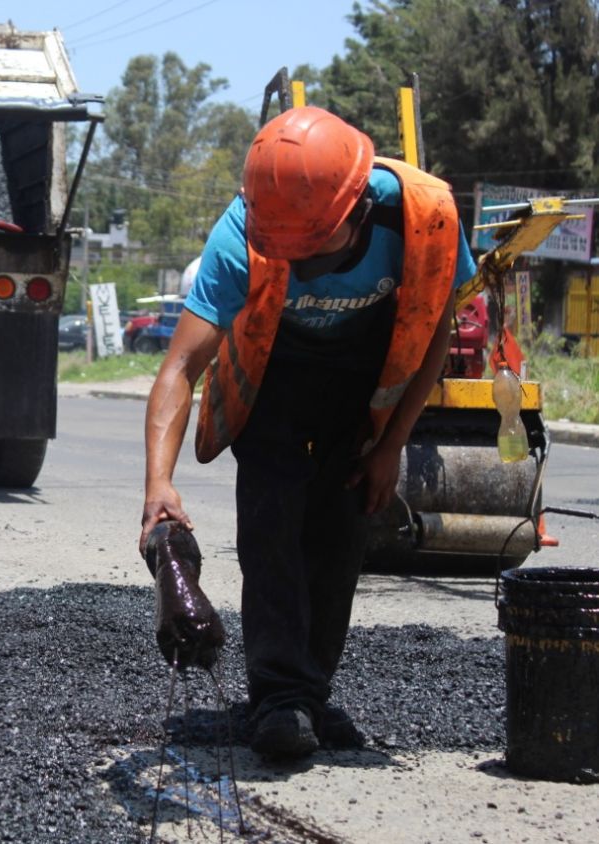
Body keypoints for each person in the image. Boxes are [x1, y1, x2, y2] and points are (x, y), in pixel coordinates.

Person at [139, 106, 476, 760]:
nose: (290, 255)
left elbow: (435, 330)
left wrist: (392, 443)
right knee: (270, 525)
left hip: (362, 379)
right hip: (275, 377)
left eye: (307, 245)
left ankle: (310, 692)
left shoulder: (424, 219)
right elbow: (181, 365)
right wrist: (158, 482)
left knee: (339, 535)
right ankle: (278, 697)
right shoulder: (244, 231)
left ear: (352, 211)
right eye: (281, 243)